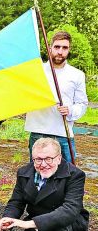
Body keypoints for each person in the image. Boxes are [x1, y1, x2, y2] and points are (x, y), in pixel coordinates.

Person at [0, 138, 89, 231]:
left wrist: (30, 224)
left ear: (59, 158)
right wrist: (7, 219)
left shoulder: (75, 175)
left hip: (69, 223)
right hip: (36, 219)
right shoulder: (23, 172)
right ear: (33, 159)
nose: (43, 164)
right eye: (38, 159)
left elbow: (70, 210)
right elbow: (16, 203)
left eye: (49, 159)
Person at [25, 31, 88, 163]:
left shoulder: (77, 75)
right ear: (50, 48)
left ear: (69, 49)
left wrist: (70, 110)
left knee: (68, 175)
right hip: (38, 131)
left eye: (64, 48)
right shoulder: (36, 71)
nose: (60, 51)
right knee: (38, 176)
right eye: (57, 47)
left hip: (63, 133)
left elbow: (82, 104)